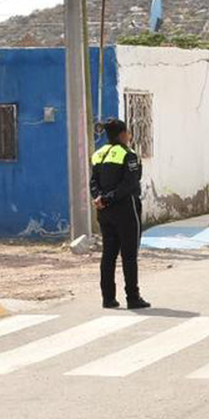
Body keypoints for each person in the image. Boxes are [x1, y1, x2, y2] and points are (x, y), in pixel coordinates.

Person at [90, 118, 151, 310]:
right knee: (129, 255)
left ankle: (108, 298)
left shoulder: (98, 154)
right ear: (123, 134)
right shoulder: (128, 154)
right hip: (126, 209)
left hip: (104, 211)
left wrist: (99, 198)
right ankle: (133, 297)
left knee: (108, 254)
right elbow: (130, 183)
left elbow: (93, 182)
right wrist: (108, 198)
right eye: (128, 133)